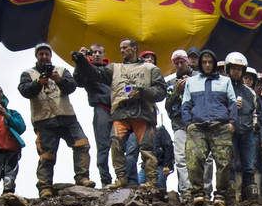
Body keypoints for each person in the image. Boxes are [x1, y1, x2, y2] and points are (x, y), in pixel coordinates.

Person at [72, 38, 166, 189]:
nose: (121, 51)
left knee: (146, 148)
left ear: (134, 49)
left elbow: (161, 91)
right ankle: (121, 178)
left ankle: (151, 181)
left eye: (125, 48)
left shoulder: (150, 68)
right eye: (120, 48)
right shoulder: (114, 68)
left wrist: (142, 92)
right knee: (116, 144)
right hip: (120, 111)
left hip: (142, 112)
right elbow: (95, 73)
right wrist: (81, 61)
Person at [17, 43, 96, 197]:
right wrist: (39, 82)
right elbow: (25, 91)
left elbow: (71, 87)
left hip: (67, 116)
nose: (44, 57)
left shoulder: (61, 71)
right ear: (37, 56)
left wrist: (59, 80)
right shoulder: (28, 73)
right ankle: (45, 187)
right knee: (47, 155)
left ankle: (82, 178)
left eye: (47, 54)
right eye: (41, 54)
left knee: (82, 144)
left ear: (51, 56)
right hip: (44, 119)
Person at [181, 49, 237, 206]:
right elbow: (185, 104)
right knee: (194, 159)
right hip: (198, 127)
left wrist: (232, 122)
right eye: (204, 62)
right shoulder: (191, 82)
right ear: (200, 63)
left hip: (220, 126)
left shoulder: (225, 81)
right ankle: (198, 193)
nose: (207, 65)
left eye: (210, 62)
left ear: (214, 63)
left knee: (224, 162)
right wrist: (188, 124)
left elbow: (232, 103)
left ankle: (221, 195)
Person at [76, 42, 114, 188]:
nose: (97, 55)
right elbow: (78, 81)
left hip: (119, 109)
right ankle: (106, 180)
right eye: (94, 52)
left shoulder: (113, 69)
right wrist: (80, 60)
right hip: (101, 109)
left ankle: (123, 179)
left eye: (100, 52)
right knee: (103, 146)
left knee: (120, 145)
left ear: (104, 54)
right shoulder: (87, 70)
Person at [224, 52, 260, 201]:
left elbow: (257, 112)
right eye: (233, 68)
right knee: (230, 164)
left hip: (247, 132)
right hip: (229, 132)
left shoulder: (249, 92)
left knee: (249, 165)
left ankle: (250, 200)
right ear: (228, 69)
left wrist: (254, 127)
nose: (236, 71)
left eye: (239, 69)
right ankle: (231, 198)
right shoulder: (222, 87)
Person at [165, 48, 194, 195]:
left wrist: (192, 85)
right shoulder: (170, 82)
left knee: (201, 158)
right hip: (179, 124)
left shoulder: (198, 78)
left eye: (182, 62)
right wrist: (176, 93)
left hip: (198, 124)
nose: (179, 66)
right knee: (181, 157)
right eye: (176, 63)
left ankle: (202, 190)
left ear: (187, 61)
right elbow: (167, 106)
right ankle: (186, 190)